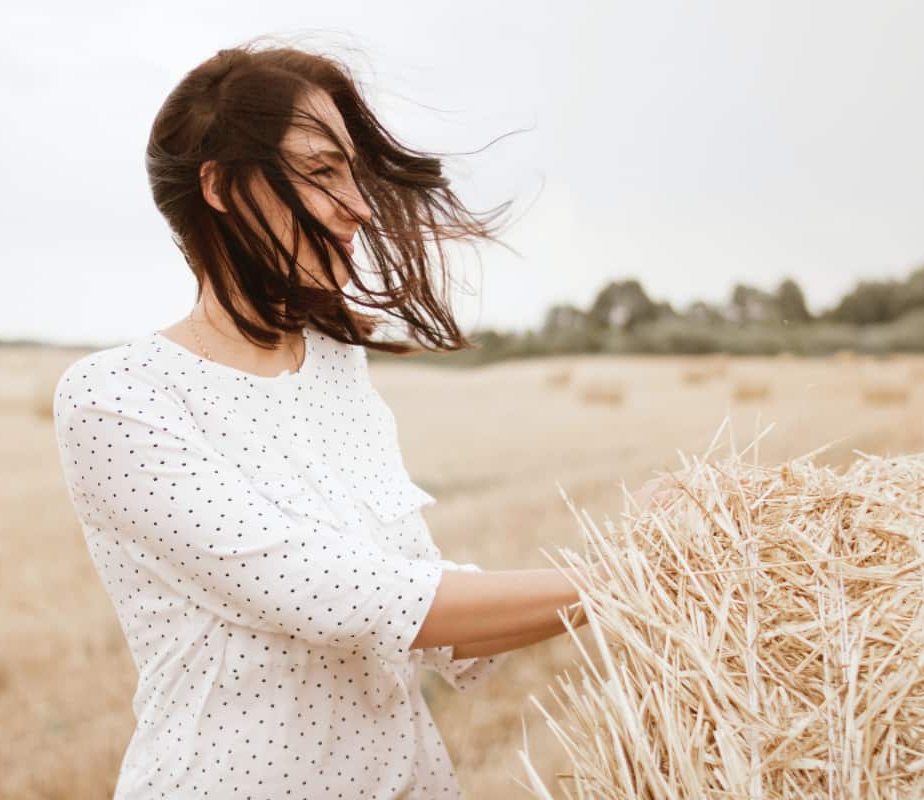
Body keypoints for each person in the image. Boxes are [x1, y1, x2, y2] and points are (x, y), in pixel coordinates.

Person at [52, 39, 604, 799]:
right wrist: (617, 578)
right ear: (221, 185)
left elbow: (429, 611)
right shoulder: (116, 397)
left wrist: (640, 555)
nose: (361, 207)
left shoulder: (338, 368)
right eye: (321, 172)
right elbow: (344, 599)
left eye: (351, 173)